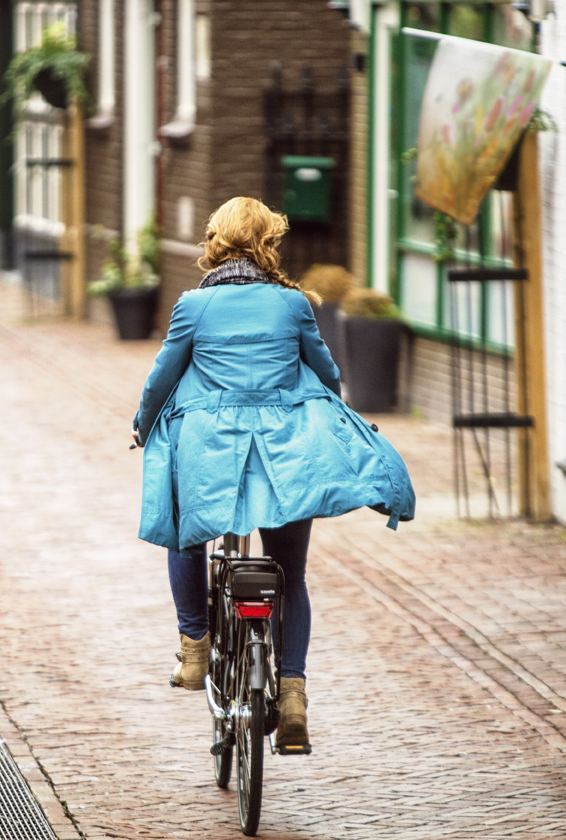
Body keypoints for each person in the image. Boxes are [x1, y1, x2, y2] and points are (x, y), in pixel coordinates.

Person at [132, 197, 414, 751]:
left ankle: (194, 649)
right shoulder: (293, 305)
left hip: (212, 452)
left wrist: (144, 424)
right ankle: (291, 697)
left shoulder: (193, 305)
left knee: (186, 534)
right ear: (269, 243)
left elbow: (162, 377)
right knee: (291, 576)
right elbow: (327, 374)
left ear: (215, 242)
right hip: (289, 453)